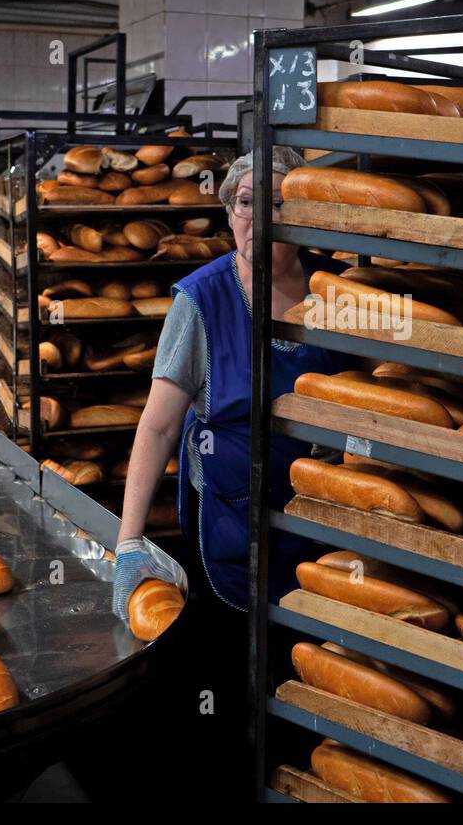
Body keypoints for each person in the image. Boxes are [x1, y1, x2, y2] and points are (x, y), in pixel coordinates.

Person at [110, 146, 350, 782]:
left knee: (310, 658)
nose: (260, 217)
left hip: (321, 515)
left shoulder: (339, 289)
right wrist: (130, 537)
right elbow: (159, 423)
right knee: (228, 673)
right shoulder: (204, 299)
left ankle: (307, 777)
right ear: (228, 211)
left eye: (277, 204)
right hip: (229, 517)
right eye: (247, 203)